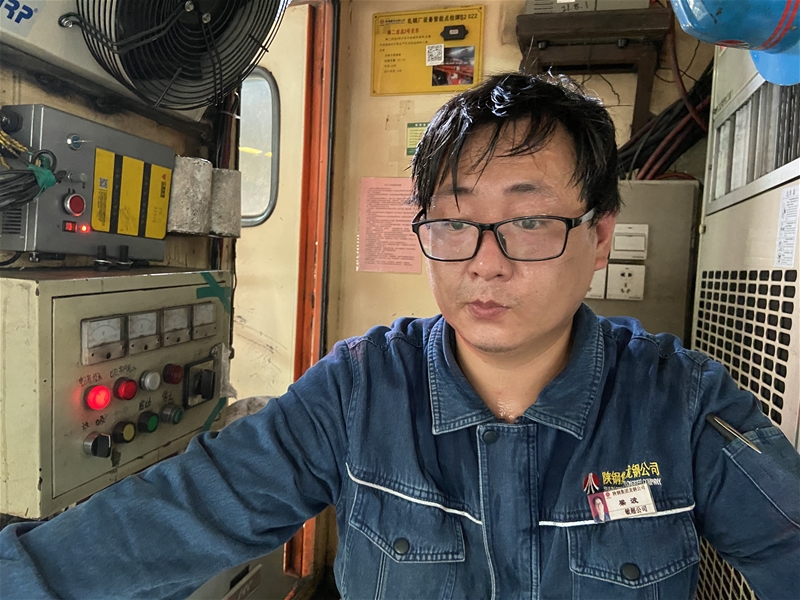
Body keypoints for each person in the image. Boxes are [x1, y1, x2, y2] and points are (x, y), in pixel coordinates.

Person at [2, 72, 799, 600]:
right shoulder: (359, 391)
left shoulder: (681, 404)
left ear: (598, 236)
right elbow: (176, 516)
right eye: (453, 222)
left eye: (528, 220)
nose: (484, 262)